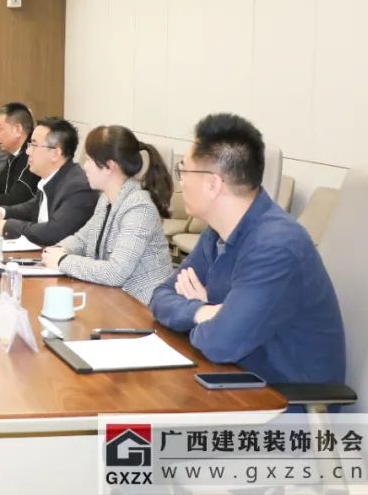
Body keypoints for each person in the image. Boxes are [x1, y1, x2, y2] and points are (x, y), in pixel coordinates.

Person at [150, 114, 345, 385]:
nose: (180, 181)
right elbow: (160, 297)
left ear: (212, 184)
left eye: (183, 170)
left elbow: (220, 343)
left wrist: (205, 315)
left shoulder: (276, 246)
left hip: (285, 398)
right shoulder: (217, 231)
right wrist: (203, 311)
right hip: (232, 377)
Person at [41, 125, 174, 305]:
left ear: (110, 166)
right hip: (114, 299)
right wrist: (57, 250)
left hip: (143, 307)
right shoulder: (106, 198)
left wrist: (63, 261)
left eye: (89, 159)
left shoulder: (140, 208)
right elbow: (83, 239)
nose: (84, 166)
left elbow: (115, 272)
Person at [0, 117, 97, 247]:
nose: (28, 151)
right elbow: (33, 208)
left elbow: (54, 232)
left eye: (34, 145)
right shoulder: (54, 177)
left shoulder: (79, 188)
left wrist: (7, 226)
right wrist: (1, 211)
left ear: (55, 153)